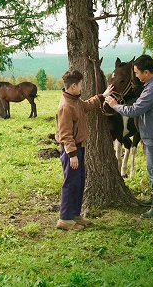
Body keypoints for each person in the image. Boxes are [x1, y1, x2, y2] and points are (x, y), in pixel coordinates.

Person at [106, 54, 153, 219]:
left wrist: (115, 106)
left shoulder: (152, 89)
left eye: (137, 73)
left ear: (147, 72)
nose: (135, 76)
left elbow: (135, 110)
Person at [55, 69, 114, 231]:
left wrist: (102, 96)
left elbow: (87, 106)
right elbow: (65, 134)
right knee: (71, 184)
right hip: (71, 152)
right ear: (73, 86)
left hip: (79, 150)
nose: (82, 87)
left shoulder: (75, 100)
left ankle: (74, 214)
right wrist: (72, 155)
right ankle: (65, 219)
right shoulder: (66, 106)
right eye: (81, 84)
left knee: (79, 182)